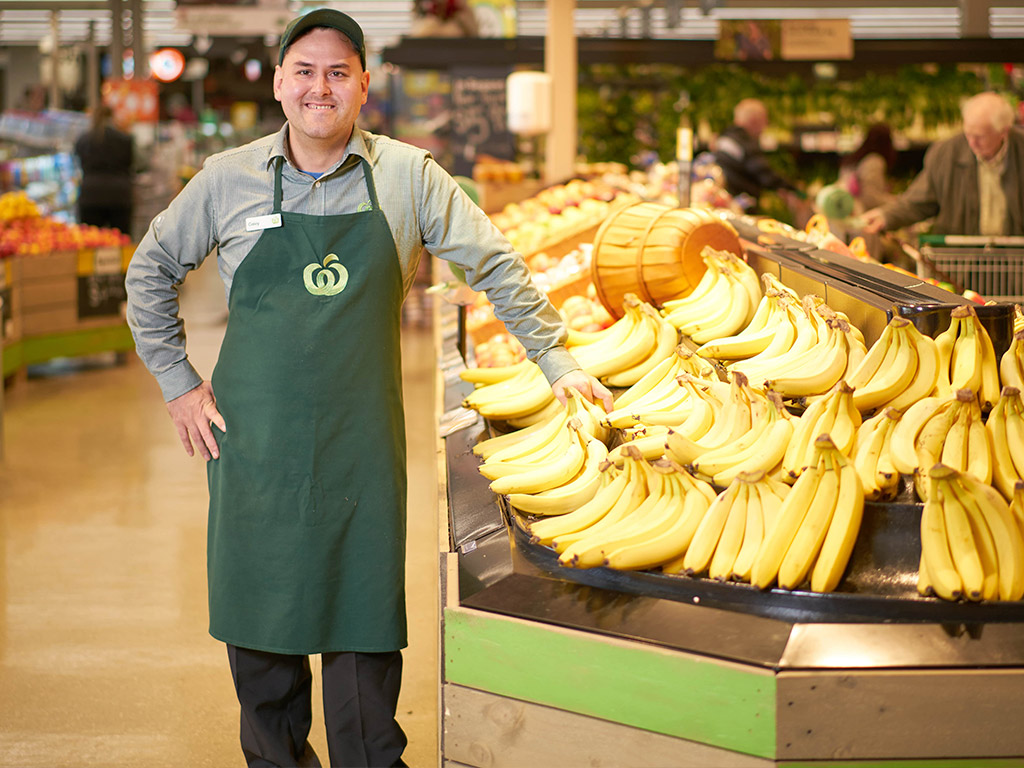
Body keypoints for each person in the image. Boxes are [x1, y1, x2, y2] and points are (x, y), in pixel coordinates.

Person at [124, 9, 611, 768]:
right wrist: (178, 381)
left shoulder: (408, 178)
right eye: (306, 71)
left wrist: (557, 360)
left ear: (364, 86)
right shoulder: (227, 180)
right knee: (263, 641)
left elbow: (497, 265)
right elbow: (149, 271)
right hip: (256, 448)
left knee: (361, 632)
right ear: (282, 82)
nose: (322, 87)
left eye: (339, 72)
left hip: (361, 450)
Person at [861, 91, 1024, 236]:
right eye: (968, 133)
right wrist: (886, 216)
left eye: (980, 136)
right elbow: (919, 201)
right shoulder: (946, 154)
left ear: (1004, 131)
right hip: (962, 261)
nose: (972, 142)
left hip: (1017, 261)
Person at [712, 97, 801, 213]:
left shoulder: (725, 138)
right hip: (740, 207)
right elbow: (764, 174)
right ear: (754, 120)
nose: (765, 127)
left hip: (723, 205)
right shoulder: (744, 142)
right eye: (764, 121)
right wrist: (792, 188)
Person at [74, 104, 135, 236]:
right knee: (121, 241)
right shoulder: (125, 139)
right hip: (120, 194)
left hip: (91, 194)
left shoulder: (83, 139)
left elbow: (78, 162)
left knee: (90, 242)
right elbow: (134, 164)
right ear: (112, 117)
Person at [841, 122, 897, 214]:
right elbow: (870, 197)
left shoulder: (856, 159)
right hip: (862, 215)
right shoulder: (874, 161)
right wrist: (896, 202)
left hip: (846, 212)